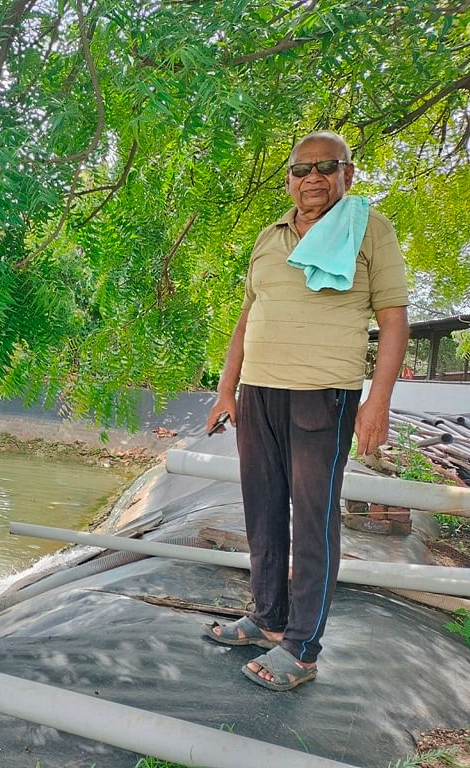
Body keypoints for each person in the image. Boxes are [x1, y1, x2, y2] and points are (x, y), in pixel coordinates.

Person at [202, 131, 410, 691]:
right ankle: (267, 619)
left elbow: (393, 320)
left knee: (313, 519)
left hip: (324, 394)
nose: (312, 179)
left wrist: (377, 402)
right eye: (301, 170)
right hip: (259, 392)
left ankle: (302, 646)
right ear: (289, 179)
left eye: (326, 167)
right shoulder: (269, 236)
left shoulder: (369, 229)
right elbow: (248, 317)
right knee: (262, 510)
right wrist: (227, 389)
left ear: (349, 174)